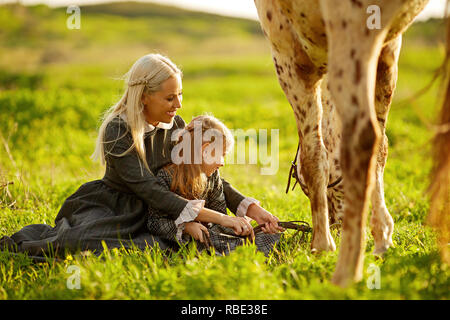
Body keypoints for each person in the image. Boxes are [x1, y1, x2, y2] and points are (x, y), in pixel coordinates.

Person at [0, 53, 283, 258]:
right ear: (144, 95)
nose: (179, 104)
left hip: (167, 211)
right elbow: (146, 188)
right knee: (80, 243)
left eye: (180, 95)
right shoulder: (118, 129)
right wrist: (217, 219)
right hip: (120, 208)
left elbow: (206, 173)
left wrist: (249, 208)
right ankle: (24, 244)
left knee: (165, 248)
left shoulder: (177, 126)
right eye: (169, 98)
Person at [147, 115, 281, 256]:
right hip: (185, 240)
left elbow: (220, 214)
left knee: (267, 238)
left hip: (213, 235)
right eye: (221, 154)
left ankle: (242, 248)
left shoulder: (212, 177)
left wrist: (240, 226)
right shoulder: (167, 176)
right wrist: (186, 227)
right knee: (201, 246)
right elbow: (155, 222)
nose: (222, 162)